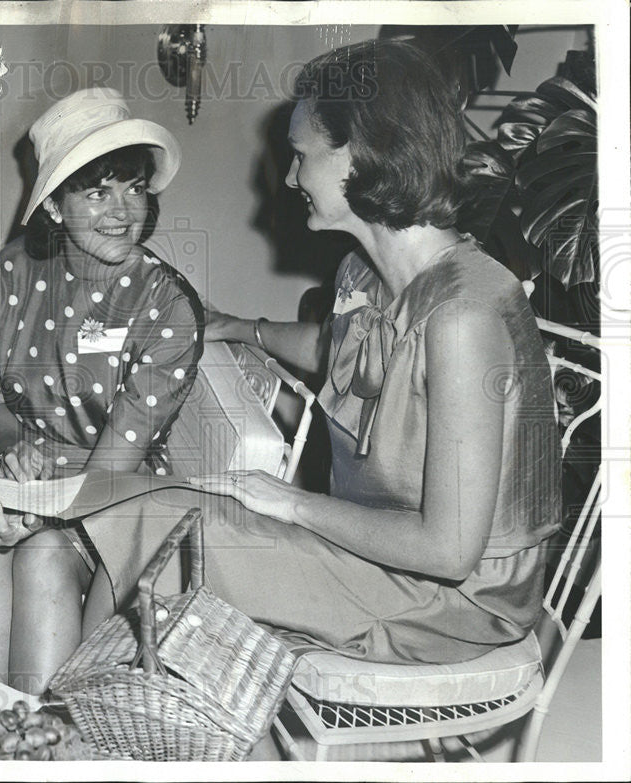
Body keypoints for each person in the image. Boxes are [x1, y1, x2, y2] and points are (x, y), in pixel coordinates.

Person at [78, 38, 563, 674]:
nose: (288, 177)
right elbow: (347, 356)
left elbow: (449, 552)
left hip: (450, 599)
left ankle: (71, 732)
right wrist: (240, 326)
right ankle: (94, 725)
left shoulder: (464, 315)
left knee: (155, 522)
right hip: (379, 552)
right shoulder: (368, 274)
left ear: (363, 154)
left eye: (301, 156)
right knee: (155, 506)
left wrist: (292, 503)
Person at [0, 87, 205, 694]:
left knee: (38, 556)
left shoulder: (166, 303)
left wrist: (33, 515)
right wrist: (13, 446)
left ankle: (43, 742)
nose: (124, 211)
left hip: (120, 499)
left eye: (135, 187)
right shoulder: (14, 271)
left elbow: (118, 468)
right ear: (56, 208)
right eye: (97, 192)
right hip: (33, 482)